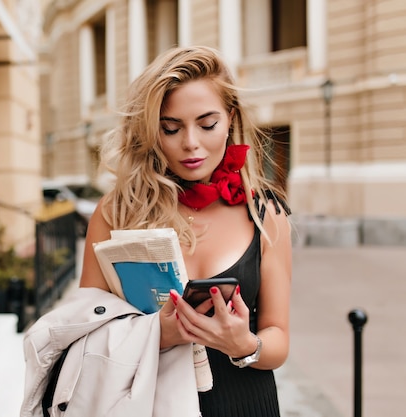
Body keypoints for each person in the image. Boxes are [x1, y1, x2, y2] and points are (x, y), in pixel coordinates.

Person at [21, 45, 291, 417]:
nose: (191, 143)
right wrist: (157, 336)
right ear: (151, 131)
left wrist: (244, 344)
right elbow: (83, 329)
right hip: (146, 403)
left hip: (245, 403)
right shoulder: (117, 212)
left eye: (207, 124)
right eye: (170, 128)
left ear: (230, 119)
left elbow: (279, 338)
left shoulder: (265, 214)